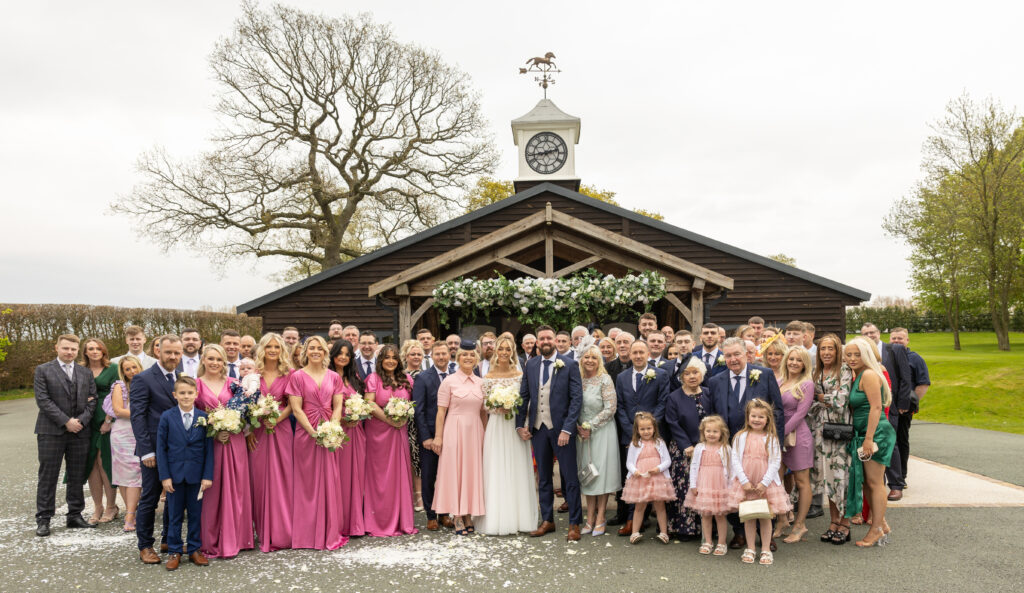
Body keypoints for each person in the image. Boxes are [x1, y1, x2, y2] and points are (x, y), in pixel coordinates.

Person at [705, 337, 784, 550]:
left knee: (763, 488)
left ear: (746, 354)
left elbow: (777, 410)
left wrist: (776, 442)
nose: (733, 359)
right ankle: (739, 533)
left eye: (736, 354)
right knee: (735, 489)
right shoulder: (715, 381)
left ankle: (766, 535)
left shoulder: (764, 375)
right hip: (729, 446)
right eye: (728, 355)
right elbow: (713, 415)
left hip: (760, 447)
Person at [516, 325, 584, 541]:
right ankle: (547, 520)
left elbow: (576, 400)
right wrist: (520, 424)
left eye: (549, 338)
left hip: (561, 429)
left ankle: (575, 523)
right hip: (538, 430)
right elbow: (524, 395)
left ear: (555, 340)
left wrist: (567, 429)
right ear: (537, 342)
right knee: (544, 478)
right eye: (541, 338)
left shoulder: (571, 365)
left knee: (570, 478)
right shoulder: (531, 364)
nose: (545, 341)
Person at [33, 334, 98, 537]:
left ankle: (75, 515)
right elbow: (43, 400)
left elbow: (93, 400)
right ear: (57, 348)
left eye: (73, 349)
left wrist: (80, 421)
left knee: (77, 475)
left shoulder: (85, 372)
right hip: (51, 431)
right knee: (48, 475)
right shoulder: (43, 370)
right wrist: (66, 421)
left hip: (79, 431)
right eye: (65, 348)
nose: (69, 352)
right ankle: (44, 519)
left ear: (78, 350)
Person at [288, 336, 348, 550]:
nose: (315, 351)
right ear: (306, 352)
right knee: (307, 483)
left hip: (329, 434)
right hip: (306, 433)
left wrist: (332, 429)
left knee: (330, 479)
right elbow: (296, 409)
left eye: (319, 348)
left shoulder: (333, 376)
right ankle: (307, 533)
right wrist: (314, 433)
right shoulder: (297, 376)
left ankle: (329, 530)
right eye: (311, 348)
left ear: (324, 352)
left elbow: (338, 405)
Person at [195, 344, 253, 558]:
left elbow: (246, 412)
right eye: (210, 359)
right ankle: (212, 539)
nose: (214, 363)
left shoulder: (234, 385)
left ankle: (238, 538)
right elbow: (193, 417)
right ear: (203, 361)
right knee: (213, 490)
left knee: (236, 487)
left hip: (235, 441)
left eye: (218, 359)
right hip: (210, 444)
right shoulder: (197, 385)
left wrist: (235, 426)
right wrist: (213, 431)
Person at [476, 337, 538, 535]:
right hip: (496, 427)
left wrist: (515, 409)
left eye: (508, 349)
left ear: (513, 352)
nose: (504, 352)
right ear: (495, 351)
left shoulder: (520, 375)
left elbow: (526, 402)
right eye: (500, 348)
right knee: (496, 468)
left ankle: (520, 517)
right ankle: (496, 518)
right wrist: (497, 406)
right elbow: (484, 405)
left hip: (514, 427)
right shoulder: (488, 377)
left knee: (517, 467)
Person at [131, 335, 184, 563]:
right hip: (153, 451)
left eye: (176, 353)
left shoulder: (182, 379)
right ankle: (145, 545)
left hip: (178, 450)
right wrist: (146, 451)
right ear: (158, 353)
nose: (172, 357)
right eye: (168, 352)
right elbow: (138, 417)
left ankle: (168, 538)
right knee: (150, 498)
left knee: (175, 497)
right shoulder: (143, 379)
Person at [843, 338, 897, 547]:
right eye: (849, 354)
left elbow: (876, 407)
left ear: (866, 355)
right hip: (863, 433)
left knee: (875, 483)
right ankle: (881, 523)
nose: (853, 358)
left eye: (857, 354)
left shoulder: (869, 374)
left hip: (874, 434)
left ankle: (876, 530)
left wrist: (868, 439)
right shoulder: (858, 374)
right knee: (868, 482)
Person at [156, 376, 213, 570]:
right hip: (174, 475)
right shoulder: (167, 417)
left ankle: (195, 548)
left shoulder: (203, 417)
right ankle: (174, 550)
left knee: (196, 514)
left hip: (197, 475)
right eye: (182, 393)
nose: (186, 396)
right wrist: (165, 476)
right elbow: (161, 449)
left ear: (196, 394)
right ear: (175, 395)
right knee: (175, 515)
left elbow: (209, 450)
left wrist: (207, 476)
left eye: (190, 393)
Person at [614, 339, 670, 536]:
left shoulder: (661, 375)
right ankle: (632, 520)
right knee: (632, 476)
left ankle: (649, 520)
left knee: (653, 477)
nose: (638, 356)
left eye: (641, 352)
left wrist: (650, 428)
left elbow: (663, 402)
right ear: (629, 355)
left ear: (648, 354)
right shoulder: (621, 377)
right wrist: (631, 431)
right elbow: (619, 405)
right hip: (630, 435)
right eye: (634, 352)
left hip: (652, 436)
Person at [432, 341, 487, 535]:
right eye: (464, 355)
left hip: (475, 431)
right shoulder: (449, 381)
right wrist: (438, 437)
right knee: (455, 472)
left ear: (476, 358)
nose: (468, 358)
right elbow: (440, 412)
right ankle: (456, 514)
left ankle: (468, 514)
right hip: (454, 430)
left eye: (472, 355)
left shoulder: (481, 383)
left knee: (472, 472)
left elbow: (483, 413)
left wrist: (486, 436)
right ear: (458, 357)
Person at [247, 333, 295, 552]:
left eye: (277, 347)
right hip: (258, 431)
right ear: (262, 350)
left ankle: (283, 531)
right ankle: (262, 530)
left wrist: (276, 419)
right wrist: (257, 420)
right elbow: (245, 405)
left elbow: (293, 404)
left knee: (283, 479)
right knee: (259, 480)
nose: (273, 350)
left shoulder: (290, 374)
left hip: (281, 430)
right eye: (269, 347)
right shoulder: (253, 375)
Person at [364, 344, 418, 536]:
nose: (390, 361)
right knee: (378, 478)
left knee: (398, 475)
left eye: (394, 358)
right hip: (377, 434)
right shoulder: (373, 378)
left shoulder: (407, 379)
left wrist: (402, 418)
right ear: (380, 360)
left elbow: (412, 404)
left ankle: (401, 520)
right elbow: (369, 403)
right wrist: (389, 419)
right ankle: (377, 521)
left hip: (399, 433)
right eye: (386, 357)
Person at [728, 399, 790, 565]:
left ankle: (765, 549)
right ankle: (750, 548)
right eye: (753, 416)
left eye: (760, 417)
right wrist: (744, 481)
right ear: (748, 417)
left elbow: (775, 462)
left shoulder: (771, 438)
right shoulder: (740, 437)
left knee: (765, 517)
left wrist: (764, 483)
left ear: (768, 419)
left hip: (765, 482)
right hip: (746, 481)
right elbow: (735, 459)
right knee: (749, 516)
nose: (756, 419)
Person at [860, 322, 912, 501]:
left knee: (892, 443)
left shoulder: (894, 350)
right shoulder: (861, 352)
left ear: (879, 333)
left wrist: (903, 402)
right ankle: (877, 483)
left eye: (872, 332)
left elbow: (905, 376)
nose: (870, 335)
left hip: (891, 406)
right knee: (872, 445)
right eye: (865, 333)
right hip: (867, 408)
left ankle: (896, 484)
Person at [811, 333, 853, 545]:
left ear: (838, 351)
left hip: (840, 429)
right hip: (821, 429)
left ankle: (845, 523)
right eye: (823, 349)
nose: (826, 352)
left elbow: (842, 400)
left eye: (830, 349)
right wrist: (825, 399)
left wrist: (822, 398)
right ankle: (833, 521)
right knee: (827, 476)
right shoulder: (816, 371)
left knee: (841, 476)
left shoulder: (844, 370)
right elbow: (812, 399)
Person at [575, 345, 619, 536]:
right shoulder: (577, 379)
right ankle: (589, 517)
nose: (590, 360)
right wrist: (578, 426)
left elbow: (610, 408)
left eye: (594, 357)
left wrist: (590, 425)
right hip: (581, 434)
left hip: (601, 431)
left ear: (599, 360)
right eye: (587, 357)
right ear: (581, 359)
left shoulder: (605, 379)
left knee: (601, 474)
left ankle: (601, 517)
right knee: (586, 474)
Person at [664, 357, 709, 540]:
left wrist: (705, 444)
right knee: (683, 487)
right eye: (687, 373)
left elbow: (714, 419)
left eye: (695, 372)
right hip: (683, 449)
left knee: (704, 486)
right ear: (682, 376)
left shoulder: (707, 393)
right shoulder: (674, 396)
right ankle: (683, 528)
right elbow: (672, 423)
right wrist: (687, 445)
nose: (691, 376)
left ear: (702, 374)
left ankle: (704, 527)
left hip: (706, 447)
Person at [77, 338, 120, 524]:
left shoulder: (113, 368)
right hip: (86, 421)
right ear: (85, 352)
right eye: (91, 349)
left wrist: (109, 419)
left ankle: (112, 506)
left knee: (105, 463)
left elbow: (119, 394)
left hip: (106, 420)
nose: (95, 351)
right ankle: (97, 506)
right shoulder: (79, 370)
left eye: (98, 348)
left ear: (104, 351)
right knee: (91, 464)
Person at [775, 346, 815, 544]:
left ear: (805, 363)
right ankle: (782, 519)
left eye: (798, 360)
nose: (793, 363)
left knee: (801, 481)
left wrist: (780, 433)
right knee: (777, 478)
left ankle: (800, 525)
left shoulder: (807, 384)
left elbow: (800, 414)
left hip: (798, 437)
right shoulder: (780, 381)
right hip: (779, 436)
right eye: (791, 359)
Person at [329, 339, 367, 537]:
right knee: (339, 477)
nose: (343, 357)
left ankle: (355, 524)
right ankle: (339, 524)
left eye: (347, 354)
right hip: (337, 433)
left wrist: (359, 414)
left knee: (356, 477)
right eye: (339, 353)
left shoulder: (355, 378)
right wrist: (342, 419)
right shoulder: (327, 376)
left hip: (357, 433)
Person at [412, 342, 451, 531]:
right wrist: (426, 437)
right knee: (429, 476)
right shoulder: (423, 378)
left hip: (452, 435)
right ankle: (431, 515)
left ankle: (444, 514)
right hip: (430, 437)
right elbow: (418, 410)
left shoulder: (454, 376)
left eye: (444, 354)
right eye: (438, 354)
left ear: (449, 356)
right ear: (432, 356)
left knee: (447, 476)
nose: (441, 357)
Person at [623, 411, 675, 544]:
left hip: (657, 478)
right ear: (637, 430)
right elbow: (629, 462)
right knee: (640, 506)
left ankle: (664, 532)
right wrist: (635, 471)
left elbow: (667, 461)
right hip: (641, 478)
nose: (646, 431)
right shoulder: (635, 444)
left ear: (654, 428)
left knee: (660, 506)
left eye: (649, 428)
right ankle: (635, 532)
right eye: (642, 429)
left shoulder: (659, 442)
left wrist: (658, 469)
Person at [684, 415, 733, 556]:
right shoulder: (699, 448)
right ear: (703, 432)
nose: (711, 434)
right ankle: (707, 541)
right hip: (703, 484)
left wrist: (730, 487)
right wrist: (693, 484)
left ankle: (722, 543)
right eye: (708, 431)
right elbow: (694, 466)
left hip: (720, 485)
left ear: (721, 433)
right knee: (705, 514)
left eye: (715, 432)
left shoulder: (726, 448)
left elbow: (731, 469)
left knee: (720, 515)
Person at [889, 327, 930, 491]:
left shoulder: (915, 359)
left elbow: (923, 383)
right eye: (894, 338)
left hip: (904, 409)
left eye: (900, 338)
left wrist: (908, 403)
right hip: (887, 406)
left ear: (907, 340)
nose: (897, 341)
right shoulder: (886, 356)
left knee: (901, 440)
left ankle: (901, 477)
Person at [107, 356, 144, 532]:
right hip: (122, 434)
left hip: (140, 432)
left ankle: (131, 513)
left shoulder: (145, 383)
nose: (132, 372)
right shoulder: (119, 386)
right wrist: (142, 413)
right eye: (127, 369)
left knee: (136, 472)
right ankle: (131, 514)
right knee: (124, 475)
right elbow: (118, 410)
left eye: (134, 367)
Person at [400, 340, 426, 510]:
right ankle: (410, 494)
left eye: (419, 354)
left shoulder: (426, 374)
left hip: (421, 420)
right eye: (412, 354)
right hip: (405, 421)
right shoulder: (400, 376)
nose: (416, 357)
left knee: (420, 460)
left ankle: (420, 495)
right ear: (406, 356)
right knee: (408, 457)